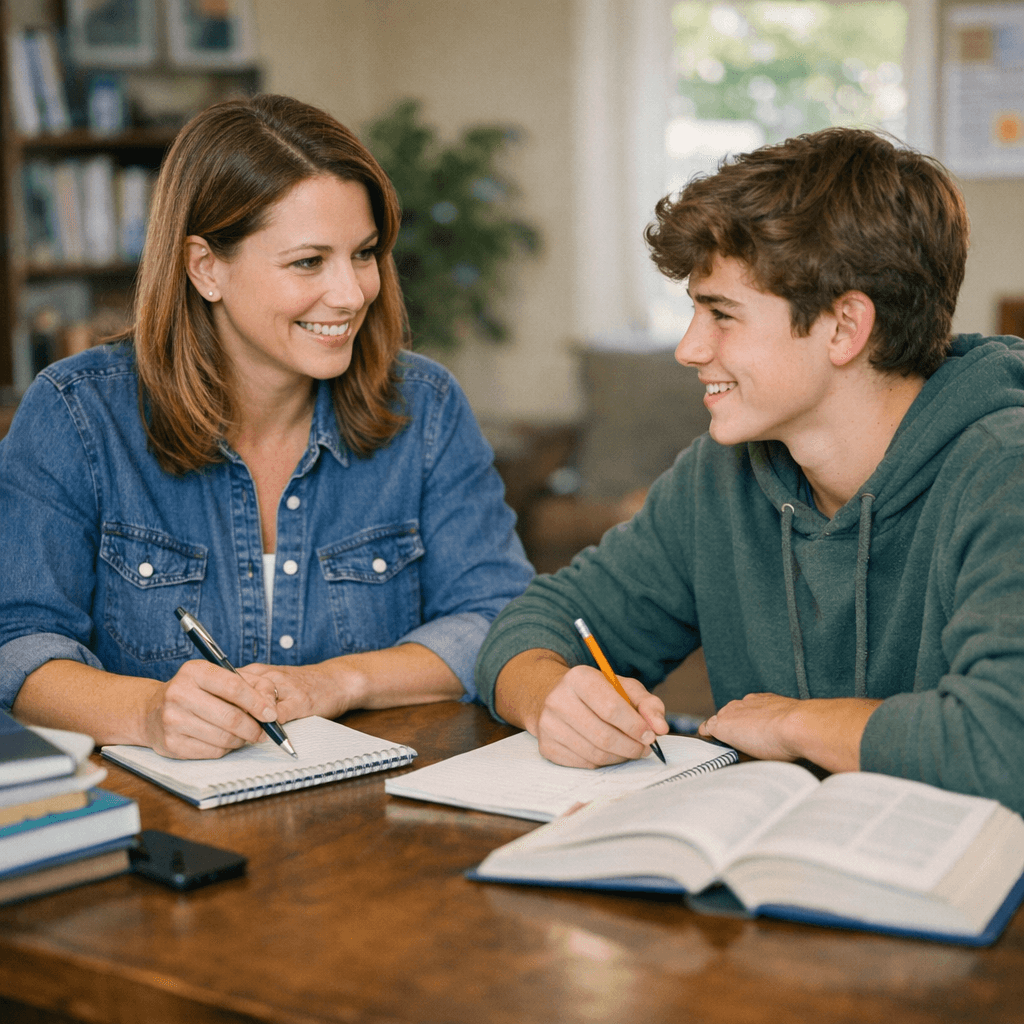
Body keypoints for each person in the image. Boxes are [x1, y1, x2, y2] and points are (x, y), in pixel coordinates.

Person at [475, 127, 1024, 814]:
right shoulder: (721, 475)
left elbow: (1004, 745)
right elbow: (537, 621)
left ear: (844, 327)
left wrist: (793, 723)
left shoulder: (1004, 471)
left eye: (721, 313)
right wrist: (549, 696)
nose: (689, 348)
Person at [0, 94, 534, 759]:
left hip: (371, 806)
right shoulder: (76, 412)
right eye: (308, 262)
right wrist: (148, 712)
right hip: (157, 811)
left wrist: (337, 681)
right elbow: (18, 644)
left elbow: (499, 619)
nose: (351, 294)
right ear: (206, 267)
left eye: (364, 253)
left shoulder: (426, 408)